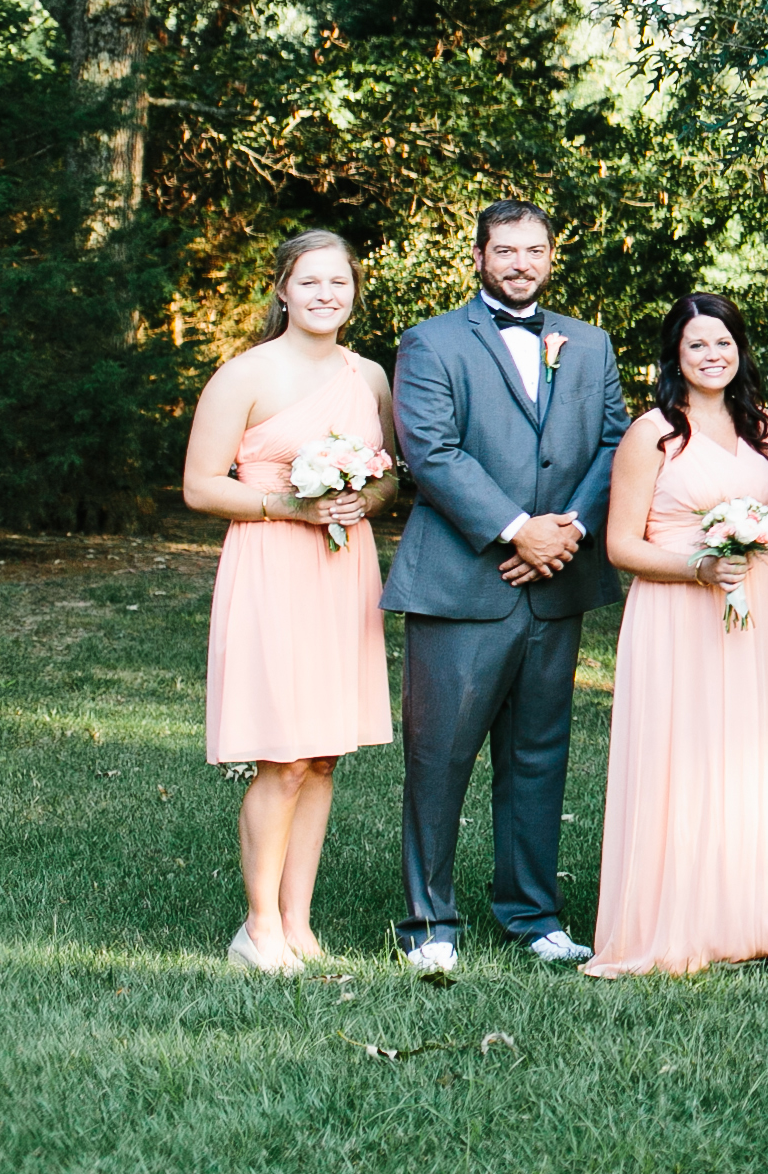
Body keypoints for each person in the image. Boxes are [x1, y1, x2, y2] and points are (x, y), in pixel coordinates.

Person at [386, 201, 627, 973]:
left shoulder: (588, 344)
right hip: (462, 581)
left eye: (535, 250)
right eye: (505, 250)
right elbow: (431, 450)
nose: (521, 262)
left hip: (557, 580)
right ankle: (429, 920)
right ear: (480, 256)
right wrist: (516, 528)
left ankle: (533, 912)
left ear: (552, 256)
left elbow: (616, 441)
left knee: (539, 754)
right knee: (440, 754)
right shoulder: (431, 341)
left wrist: (569, 530)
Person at [183, 230, 401, 975]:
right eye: (309, 282)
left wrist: (360, 498)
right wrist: (290, 504)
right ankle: (258, 927)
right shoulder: (244, 375)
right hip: (273, 563)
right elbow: (201, 485)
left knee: (323, 755)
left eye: (338, 283)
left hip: (344, 572)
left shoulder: (370, 376)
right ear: (281, 288)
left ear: (353, 290)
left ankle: (301, 923)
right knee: (281, 757)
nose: (325, 295)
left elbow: (389, 479)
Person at [583, 294, 768, 978]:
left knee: (747, 757)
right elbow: (622, 544)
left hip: (756, 612)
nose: (712, 356)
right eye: (697, 346)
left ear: (739, 349)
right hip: (679, 613)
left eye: (723, 343)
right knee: (682, 758)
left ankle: (746, 916)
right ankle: (672, 921)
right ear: (675, 356)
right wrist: (700, 566)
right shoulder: (652, 433)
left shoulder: (764, 425)